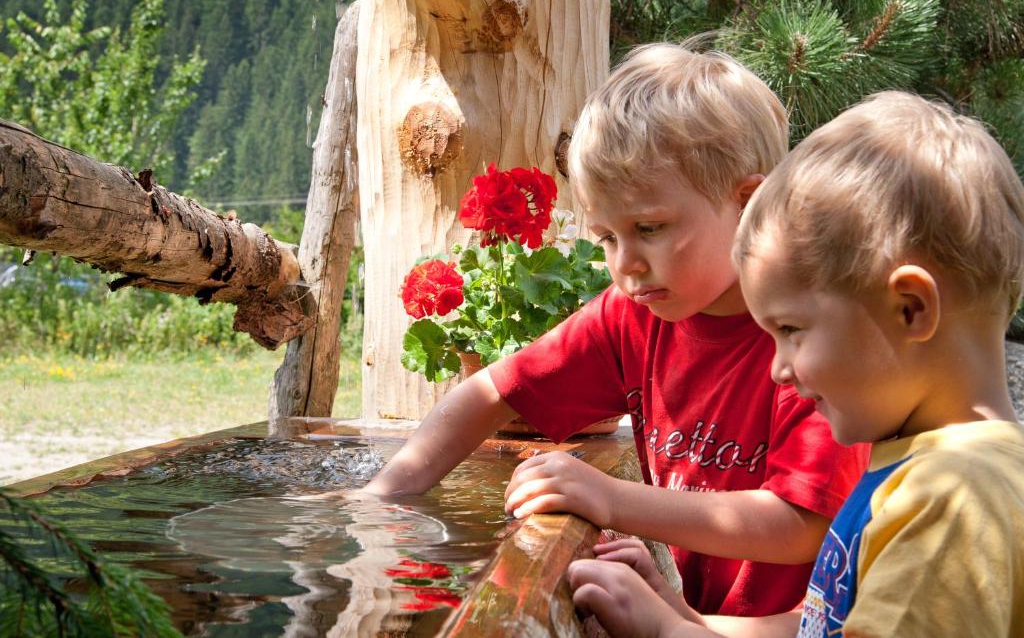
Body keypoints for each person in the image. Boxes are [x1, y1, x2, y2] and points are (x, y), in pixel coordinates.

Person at [363, 42, 867, 616]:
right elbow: (490, 392)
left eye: (649, 227)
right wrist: (382, 503)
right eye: (606, 237)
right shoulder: (635, 315)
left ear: (749, 204)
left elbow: (798, 525)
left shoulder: (808, 336)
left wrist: (609, 497)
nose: (624, 261)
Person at [566, 90, 1024, 637]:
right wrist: (681, 616)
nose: (779, 369)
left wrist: (669, 635)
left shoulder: (949, 504)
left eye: (791, 331)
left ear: (911, 308)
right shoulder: (923, 471)